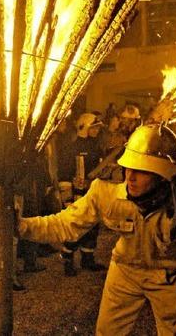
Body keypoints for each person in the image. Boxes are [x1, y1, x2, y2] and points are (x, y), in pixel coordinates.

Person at [6, 124, 176, 335]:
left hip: (167, 276)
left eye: (141, 171)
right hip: (124, 271)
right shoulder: (107, 192)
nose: (130, 177)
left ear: (162, 174)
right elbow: (65, 224)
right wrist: (21, 226)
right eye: (128, 166)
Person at [60, 112, 106, 276]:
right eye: (94, 127)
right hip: (78, 195)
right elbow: (64, 175)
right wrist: (67, 199)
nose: (97, 131)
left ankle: (88, 258)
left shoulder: (96, 147)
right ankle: (67, 258)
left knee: (93, 226)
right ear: (85, 127)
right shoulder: (71, 148)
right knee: (76, 226)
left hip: (93, 193)